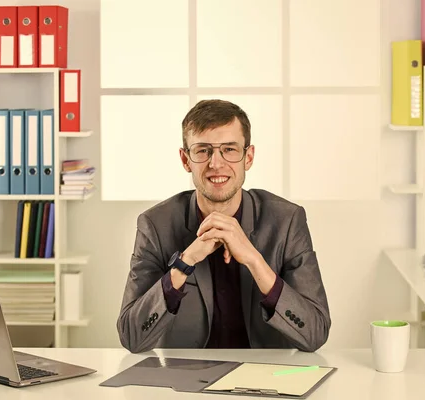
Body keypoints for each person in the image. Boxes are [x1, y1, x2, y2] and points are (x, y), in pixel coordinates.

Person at [116, 99, 331, 353]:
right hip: (187, 382)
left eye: (229, 149)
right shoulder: (155, 225)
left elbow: (315, 334)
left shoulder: (286, 221)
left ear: (248, 157)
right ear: (186, 160)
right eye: (203, 150)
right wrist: (184, 263)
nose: (216, 164)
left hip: (268, 377)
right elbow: (132, 338)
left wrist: (254, 259)